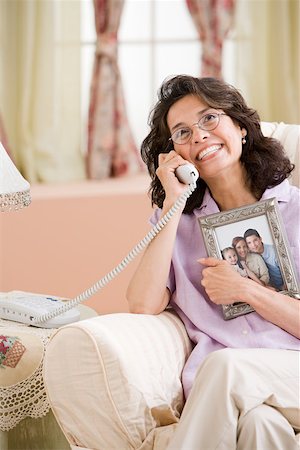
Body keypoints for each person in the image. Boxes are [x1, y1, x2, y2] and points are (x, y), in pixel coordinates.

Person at [126, 75, 300, 450]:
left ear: (239, 127)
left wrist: (246, 291)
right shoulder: (179, 224)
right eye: (182, 133)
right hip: (234, 392)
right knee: (261, 428)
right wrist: (173, 202)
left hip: (288, 372)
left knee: (223, 366)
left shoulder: (296, 211)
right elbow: (142, 304)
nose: (199, 136)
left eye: (209, 119)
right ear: (174, 154)